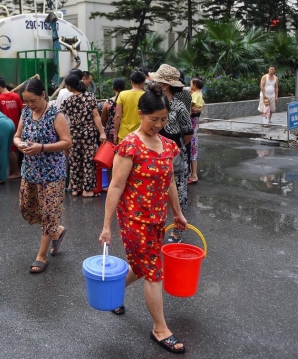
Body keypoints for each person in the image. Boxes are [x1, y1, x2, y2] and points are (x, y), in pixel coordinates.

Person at [99, 84, 188, 354]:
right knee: (152, 271)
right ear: (140, 114)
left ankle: (113, 295)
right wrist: (106, 226)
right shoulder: (129, 146)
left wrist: (178, 212)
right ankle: (160, 328)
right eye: (153, 119)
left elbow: (169, 180)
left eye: (163, 119)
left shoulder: (168, 146)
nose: (159, 125)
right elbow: (115, 187)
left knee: (140, 266)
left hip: (157, 217)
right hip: (135, 220)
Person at [13, 78, 72, 274]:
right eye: (26, 101)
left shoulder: (55, 115)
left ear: (43, 96)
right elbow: (17, 136)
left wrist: (42, 148)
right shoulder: (26, 113)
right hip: (30, 171)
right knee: (27, 208)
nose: (30, 105)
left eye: (33, 100)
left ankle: (42, 256)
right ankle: (56, 230)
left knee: (48, 213)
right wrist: (19, 144)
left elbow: (67, 142)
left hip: (52, 173)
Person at [149, 64, 193, 244]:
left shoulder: (179, 106)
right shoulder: (153, 102)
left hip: (174, 154)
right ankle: (153, 228)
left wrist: (176, 149)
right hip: (153, 152)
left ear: (165, 85)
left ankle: (177, 230)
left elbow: (188, 132)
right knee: (153, 190)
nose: (154, 83)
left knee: (178, 191)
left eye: (157, 81)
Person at [59, 74, 106, 197]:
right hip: (88, 133)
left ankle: (75, 189)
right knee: (88, 161)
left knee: (75, 160)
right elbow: (96, 116)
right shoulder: (90, 96)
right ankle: (87, 190)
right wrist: (102, 132)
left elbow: (62, 119)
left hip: (73, 133)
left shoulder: (67, 101)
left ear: (69, 87)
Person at [0, 77, 23, 180]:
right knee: (15, 149)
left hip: (5, 128)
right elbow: (21, 111)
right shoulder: (16, 96)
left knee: (10, 150)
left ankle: (16, 171)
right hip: (17, 126)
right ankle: (14, 169)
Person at [114, 71, 145, 144]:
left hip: (124, 134)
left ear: (131, 82)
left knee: (123, 155)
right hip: (140, 134)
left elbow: (118, 116)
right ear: (143, 83)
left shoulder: (122, 94)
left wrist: (115, 134)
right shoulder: (146, 95)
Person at [188, 77, 204, 184]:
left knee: (193, 146)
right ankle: (192, 174)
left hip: (192, 122)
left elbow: (191, 107)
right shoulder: (200, 94)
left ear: (194, 85)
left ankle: (194, 175)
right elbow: (202, 104)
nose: (189, 85)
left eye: (191, 83)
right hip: (196, 122)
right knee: (193, 145)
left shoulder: (194, 95)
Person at [101, 78, 126, 144]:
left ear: (113, 88)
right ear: (125, 88)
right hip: (123, 131)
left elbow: (103, 119)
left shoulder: (108, 102)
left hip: (110, 132)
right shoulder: (126, 102)